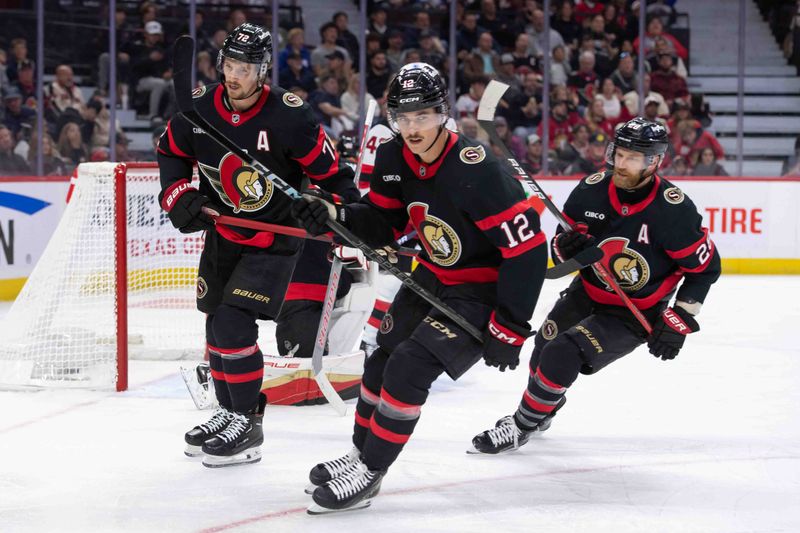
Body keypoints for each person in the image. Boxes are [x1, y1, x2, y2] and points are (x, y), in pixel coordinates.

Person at [292, 62, 548, 513]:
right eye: (403, 118)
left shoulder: (480, 170)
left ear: (442, 114)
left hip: (480, 292)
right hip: (432, 276)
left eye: (422, 117)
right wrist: (335, 215)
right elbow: (382, 222)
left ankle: (371, 472)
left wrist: (510, 326)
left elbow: (527, 252)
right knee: (380, 360)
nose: (411, 128)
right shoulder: (393, 156)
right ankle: (359, 454)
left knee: (408, 368)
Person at [156, 23, 358, 468]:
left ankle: (247, 423)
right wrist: (179, 195)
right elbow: (171, 151)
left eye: (245, 67)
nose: (234, 75)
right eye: (229, 64)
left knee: (232, 323)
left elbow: (339, 181)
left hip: (273, 240)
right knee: (214, 325)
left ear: (263, 70)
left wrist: (321, 204)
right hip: (224, 233)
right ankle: (228, 411)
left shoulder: (291, 115)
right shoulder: (200, 107)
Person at [469, 117, 721, 455]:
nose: (622, 163)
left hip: (634, 312)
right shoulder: (592, 190)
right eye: (620, 154)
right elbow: (560, 246)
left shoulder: (672, 210)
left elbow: (706, 268)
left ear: (655, 162)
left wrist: (679, 320)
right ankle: (542, 411)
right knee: (545, 345)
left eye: (633, 158)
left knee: (563, 352)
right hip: (587, 291)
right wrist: (568, 248)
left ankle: (521, 425)